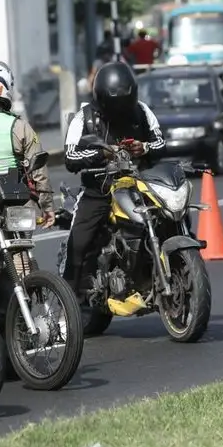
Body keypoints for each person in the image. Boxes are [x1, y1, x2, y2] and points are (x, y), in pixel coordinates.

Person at [61, 62, 168, 300]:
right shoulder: (84, 117)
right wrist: (102, 153)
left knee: (173, 215)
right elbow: (70, 157)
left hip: (140, 184)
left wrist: (145, 147)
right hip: (99, 188)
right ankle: (66, 305)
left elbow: (161, 142)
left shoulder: (142, 111)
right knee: (78, 243)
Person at [0, 60, 55, 233]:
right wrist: (47, 206)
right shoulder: (20, 126)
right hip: (14, 198)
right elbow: (39, 171)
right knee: (19, 249)